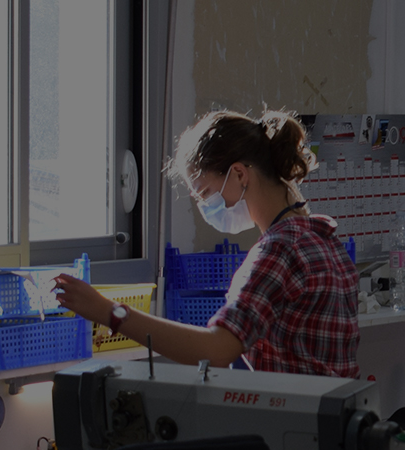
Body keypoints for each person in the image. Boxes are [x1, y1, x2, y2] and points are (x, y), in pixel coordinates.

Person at [54, 110, 361, 378]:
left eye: (205, 193)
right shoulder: (323, 237)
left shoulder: (278, 250)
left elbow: (216, 350)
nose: (205, 207)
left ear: (239, 174)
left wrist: (108, 312)